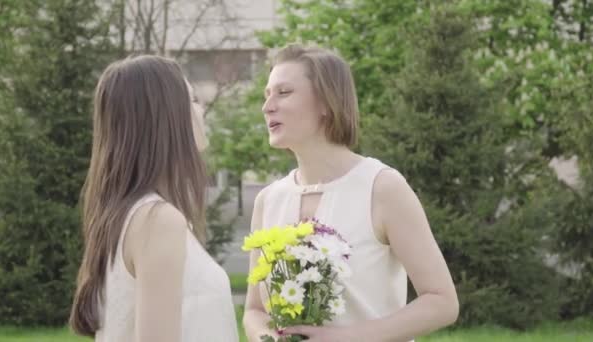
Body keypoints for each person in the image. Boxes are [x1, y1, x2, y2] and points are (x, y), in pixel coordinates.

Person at [243, 44, 459, 342]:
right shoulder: (268, 200)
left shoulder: (382, 187)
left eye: (283, 92)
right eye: (267, 95)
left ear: (326, 102)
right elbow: (254, 310)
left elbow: (442, 301)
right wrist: (269, 338)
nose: (267, 106)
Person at [69, 55, 238, 342]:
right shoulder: (157, 220)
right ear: (164, 116)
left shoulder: (129, 214)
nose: (201, 108)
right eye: (192, 99)